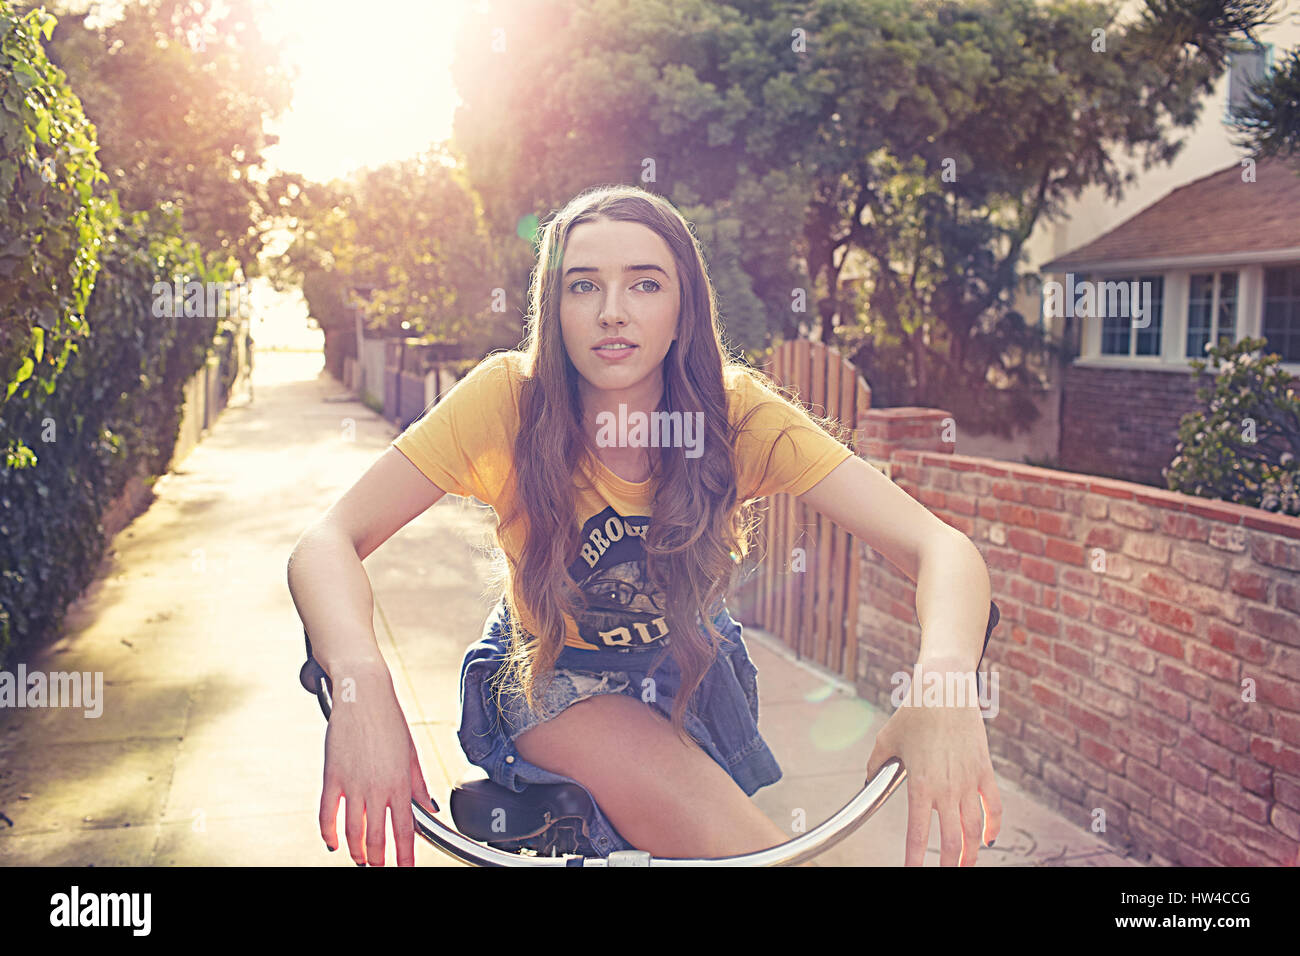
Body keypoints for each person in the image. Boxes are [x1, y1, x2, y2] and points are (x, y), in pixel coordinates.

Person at [287, 183, 1001, 867]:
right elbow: (326, 543)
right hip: (553, 677)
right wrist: (360, 684)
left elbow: (940, 548)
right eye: (583, 285)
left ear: (684, 306)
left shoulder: (733, 416)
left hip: (693, 670)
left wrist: (944, 685)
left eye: (646, 283)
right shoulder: (511, 400)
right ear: (554, 307)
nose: (613, 312)